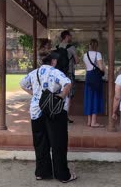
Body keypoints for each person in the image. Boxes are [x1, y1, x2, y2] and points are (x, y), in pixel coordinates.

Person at [19, 51, 77, 183]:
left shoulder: (34, 73)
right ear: (54, 61)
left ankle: (42, 172)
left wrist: (34, 94)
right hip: (54, 111)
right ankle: (62, 175)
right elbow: (68, 84)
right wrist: (60, 97)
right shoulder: (56, 72)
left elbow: (22, 83)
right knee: (58, 143)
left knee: (40, 143)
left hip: (36, 111)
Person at [56, 30, 80, 123]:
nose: (71, 37)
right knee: (68, 95)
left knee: (59, 93)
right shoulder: (71, 47)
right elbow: (77, 61)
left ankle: (57, 114)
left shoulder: (57, 47)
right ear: (66, 36)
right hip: (69, 73)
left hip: (59, 74)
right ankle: (65, 116)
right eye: (70, 35)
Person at [83, 39, 105, 128]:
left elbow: (86, 67)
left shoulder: (85, 55)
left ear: (89, 45)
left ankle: (89, 121)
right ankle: (94, 121)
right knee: (96, 97)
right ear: (96, 46)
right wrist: (104, 68)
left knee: (89, 98)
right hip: (96, 77)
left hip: (88, 76)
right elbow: (100, 67)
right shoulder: (98, 54)